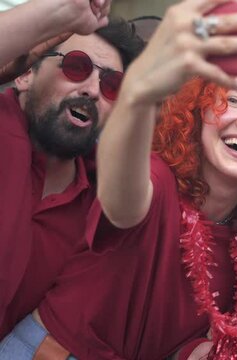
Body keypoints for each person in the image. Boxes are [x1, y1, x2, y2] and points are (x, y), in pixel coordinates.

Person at [0, 0, 237, 358]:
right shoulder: (158, 180)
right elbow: (122, 203)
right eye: (231, 99)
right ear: (197, 113)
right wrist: (140, 93)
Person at [0, 10, 144, 341]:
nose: (93, 90)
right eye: (76, 66)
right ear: (24, 75)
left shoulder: (104, 204)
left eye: (112, 85)